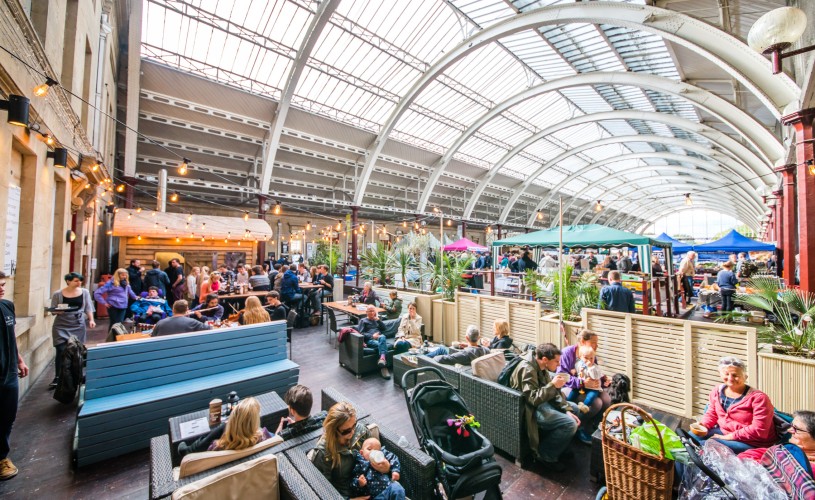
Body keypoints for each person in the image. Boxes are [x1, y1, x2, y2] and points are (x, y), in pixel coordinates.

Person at [510, 343, 579, 471]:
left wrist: (566, 409)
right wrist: (553, 385)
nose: (559, 365)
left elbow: (551, 392)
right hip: (530, 409)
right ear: (545, 359)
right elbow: (533, 399)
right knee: (570, 424)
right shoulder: (528, 369)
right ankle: (546, 455)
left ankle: (560, 446)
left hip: (543, 401)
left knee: (575, 409)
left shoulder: (542, 367)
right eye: (556, 361)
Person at [694, 356, 777, 453]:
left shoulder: (759, 398)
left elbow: (759, 430)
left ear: (745, 376)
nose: (730, 378)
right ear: (720, 374)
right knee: (689, 438)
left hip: (753, 442)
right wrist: (703, 425)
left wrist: (728, 437)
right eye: (726, 374)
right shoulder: (717, 391)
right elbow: (712, 413)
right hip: (725, 432)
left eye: (735, 375)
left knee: (705, 445)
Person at [309, 401, 375, 498]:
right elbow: (323, 491)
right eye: (347, 431)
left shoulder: (360, 431)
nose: (353, 432)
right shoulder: (324, 454)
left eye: (354, 425)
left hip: (369, 485)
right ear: (333, 430)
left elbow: (378, 454)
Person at [557, 329, 611, 445]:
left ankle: (593, 424)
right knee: (597, 403)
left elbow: (593, 370)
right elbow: (561, 377)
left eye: (597, 342)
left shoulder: (590, 353)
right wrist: (582, 383)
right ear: (582, 341)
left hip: (587, 387)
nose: (597, 346)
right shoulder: (567, 353)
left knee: (606, 399)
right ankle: (578, 427)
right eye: (593, 342)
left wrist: (603, 379)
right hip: (570, 388)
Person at [0, 272, 29, 480]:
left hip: (8, 372)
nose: (2, 288)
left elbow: (10, 336)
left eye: (2, 284)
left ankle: (2, 457)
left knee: (7, 417)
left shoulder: (7, 306)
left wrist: (19, 359)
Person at [177, 397, 273, 457]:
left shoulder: (216, 448)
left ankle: (189, 450)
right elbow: (275, 437)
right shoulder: (264, 436)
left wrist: (229, 424)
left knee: (223, 427)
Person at [49, 273, 95, 389]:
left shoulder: (84, 292)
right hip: (61, 324)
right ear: (68, 281)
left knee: (77, 350)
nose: (79, 283)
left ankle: (76, 375)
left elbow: (88, 307)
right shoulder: (58, 294)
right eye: (76, 281)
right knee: (60, 350)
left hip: (78, 323)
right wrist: (56, 311)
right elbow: (53, 310)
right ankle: (58, 376)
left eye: (80, 281)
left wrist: (91, 320)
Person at [739, 410, 815, 472]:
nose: (789, 430)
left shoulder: (810, 468)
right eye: (791, 426)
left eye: (796, 429)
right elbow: (745, 457)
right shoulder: (786, 451)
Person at [424, 325, 489, 366]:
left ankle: (422, 358)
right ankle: (423, 356)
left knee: (440, 351)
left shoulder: (465, 354)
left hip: (454, 366)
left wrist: (435, 357)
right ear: (478, 338)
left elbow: (445, 359)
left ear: (466, 338)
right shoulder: (486, 350)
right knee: (442, 349)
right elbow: (476, 349)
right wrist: (468, 345)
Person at [567, 345, 604, 415]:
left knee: (591, 396)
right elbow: (577, 372)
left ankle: (584, 406)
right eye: (586, 358)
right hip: (582, 385)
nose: (589, 360)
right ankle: (567, 403)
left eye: (591, 358)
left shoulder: (594, 367)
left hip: (593, 388)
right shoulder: (578, 364)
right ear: (580, 357)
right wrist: (573, 371)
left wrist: (590, 367)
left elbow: (594, 376)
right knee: (574, 392)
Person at [356, 306, 390, 379]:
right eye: (370, 311)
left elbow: (385, 329)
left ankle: (382, 360)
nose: (372, 313)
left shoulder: (377, 320)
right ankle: (383, 364)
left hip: (380, 340)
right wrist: (372, 336)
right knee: (383, 340)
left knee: (382, 338)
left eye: (373, 311)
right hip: (370, 340)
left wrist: (379, 321)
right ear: (366, 312)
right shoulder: (363, 321)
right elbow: (361, 333)